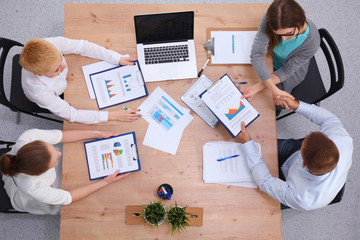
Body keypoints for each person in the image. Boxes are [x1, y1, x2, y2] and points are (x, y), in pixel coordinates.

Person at [238, 97, 353, 210]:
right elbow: (329, 120)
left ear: (303, 163)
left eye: (302, 146)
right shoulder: (341, 140)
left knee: (250, 198)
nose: (301, 143)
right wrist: (296, 105)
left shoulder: (301, 197)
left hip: (290, 189)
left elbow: (265, 182)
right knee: (256, 145)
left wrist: (248, 144)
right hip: (293, 156)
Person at [0, 129, 131, 215]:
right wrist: (105, 181)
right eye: (55, 160)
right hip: (28, 196)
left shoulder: (28, 137)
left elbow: (61, 136)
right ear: (41, 173)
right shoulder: (34, 188)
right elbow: (69, 197)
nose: (60, 153)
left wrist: (98, 134)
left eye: (52, 148)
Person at [19, 37, 141, 124]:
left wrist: (116, 58)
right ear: (40, 74)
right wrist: (113, 116)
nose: (64, 66)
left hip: (67, 83)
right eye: (57, 69)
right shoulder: (41, 93)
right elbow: (73, 115)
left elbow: (83, 46)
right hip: (52, 94)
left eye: (61, 58)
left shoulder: (48, 45)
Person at [243, 0, 321, 110]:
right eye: (278, 34)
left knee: (272, 105)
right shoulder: (271, 19)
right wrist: (271, 88)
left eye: (289, 33)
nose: (283, 39)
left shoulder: (312, 42)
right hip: (270, 58)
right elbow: (257, 54)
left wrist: (260, 87)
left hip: (288, 72)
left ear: (300, 22)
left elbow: (285, 71)